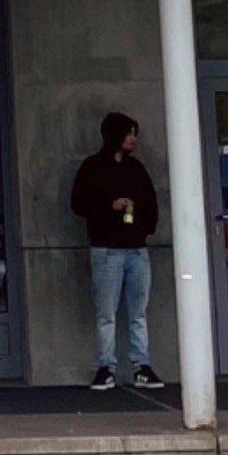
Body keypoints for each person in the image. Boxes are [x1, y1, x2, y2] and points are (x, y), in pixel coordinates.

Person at [68, 110, 161, 390]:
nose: (133, 139)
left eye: (134, 133)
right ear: (115, 135)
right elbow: (78, 204)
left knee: (138, 311)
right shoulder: (92, 168)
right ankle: (106, 366)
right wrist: (109, 206)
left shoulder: (137, 169)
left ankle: (141, 365)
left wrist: (143, 226)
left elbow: (151, 202)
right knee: (106, 312)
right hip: (107, 248)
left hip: (136, 248)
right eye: (128, 133)